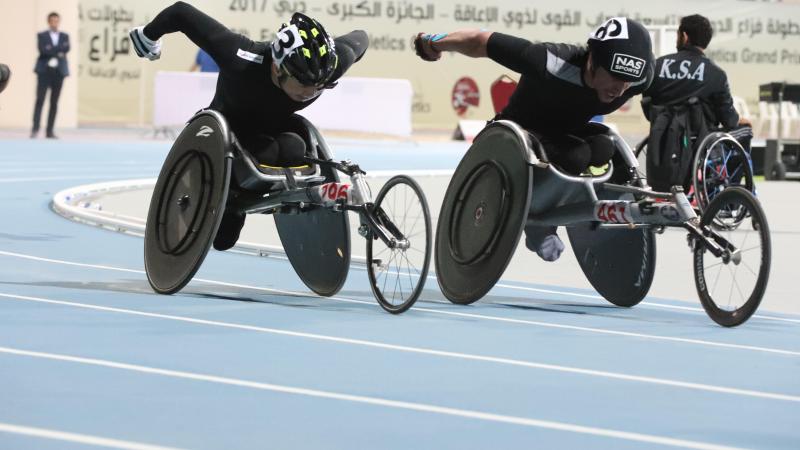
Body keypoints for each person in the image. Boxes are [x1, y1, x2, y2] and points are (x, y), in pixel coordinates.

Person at [130, 2, 368, 251]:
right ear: (278, 67)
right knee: (223, 240)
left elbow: (360, 39)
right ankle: (233, 199)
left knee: (295, 148)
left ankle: (264, 192)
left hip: (274, 132)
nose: (309, 93)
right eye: (303, 84)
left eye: (318, 87)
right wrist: (147, 36)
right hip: (228, 137)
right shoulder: (240, 57)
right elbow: (180, 13)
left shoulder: (328, 67)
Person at [414, 17, 654, 262]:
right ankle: (539, 224)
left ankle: (582, 203)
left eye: (627, 81)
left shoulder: (638, 79)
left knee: (604, 148)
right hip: (522, 132)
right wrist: (432, 43)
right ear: (592, 60)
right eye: (614, 76)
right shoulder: (549, 61)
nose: (620, 88)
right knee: (577, 155)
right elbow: (480, 41)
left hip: (568, 132)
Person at [641, 14, 752, 192]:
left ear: (684, 36)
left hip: (662, 137)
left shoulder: (657, 66)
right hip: (700, 141)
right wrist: (739, 120)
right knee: (745, 131)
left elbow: (648, 107)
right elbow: (729, 120)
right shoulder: (716, 74)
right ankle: (729, 197)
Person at [32, 12, 70, 139]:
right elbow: (43, 50)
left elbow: (66, 48)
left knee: (54, 102)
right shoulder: (42, 35)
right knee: (40, 100)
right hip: (44, 72)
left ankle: (50, 131)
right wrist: (58, 52)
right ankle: (35, 129)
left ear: (59, 22)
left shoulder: (64, 36)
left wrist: (52, 50)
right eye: (52, 20)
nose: (55, 23)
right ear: (49, 22)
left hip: (58, 73)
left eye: (57, 20)